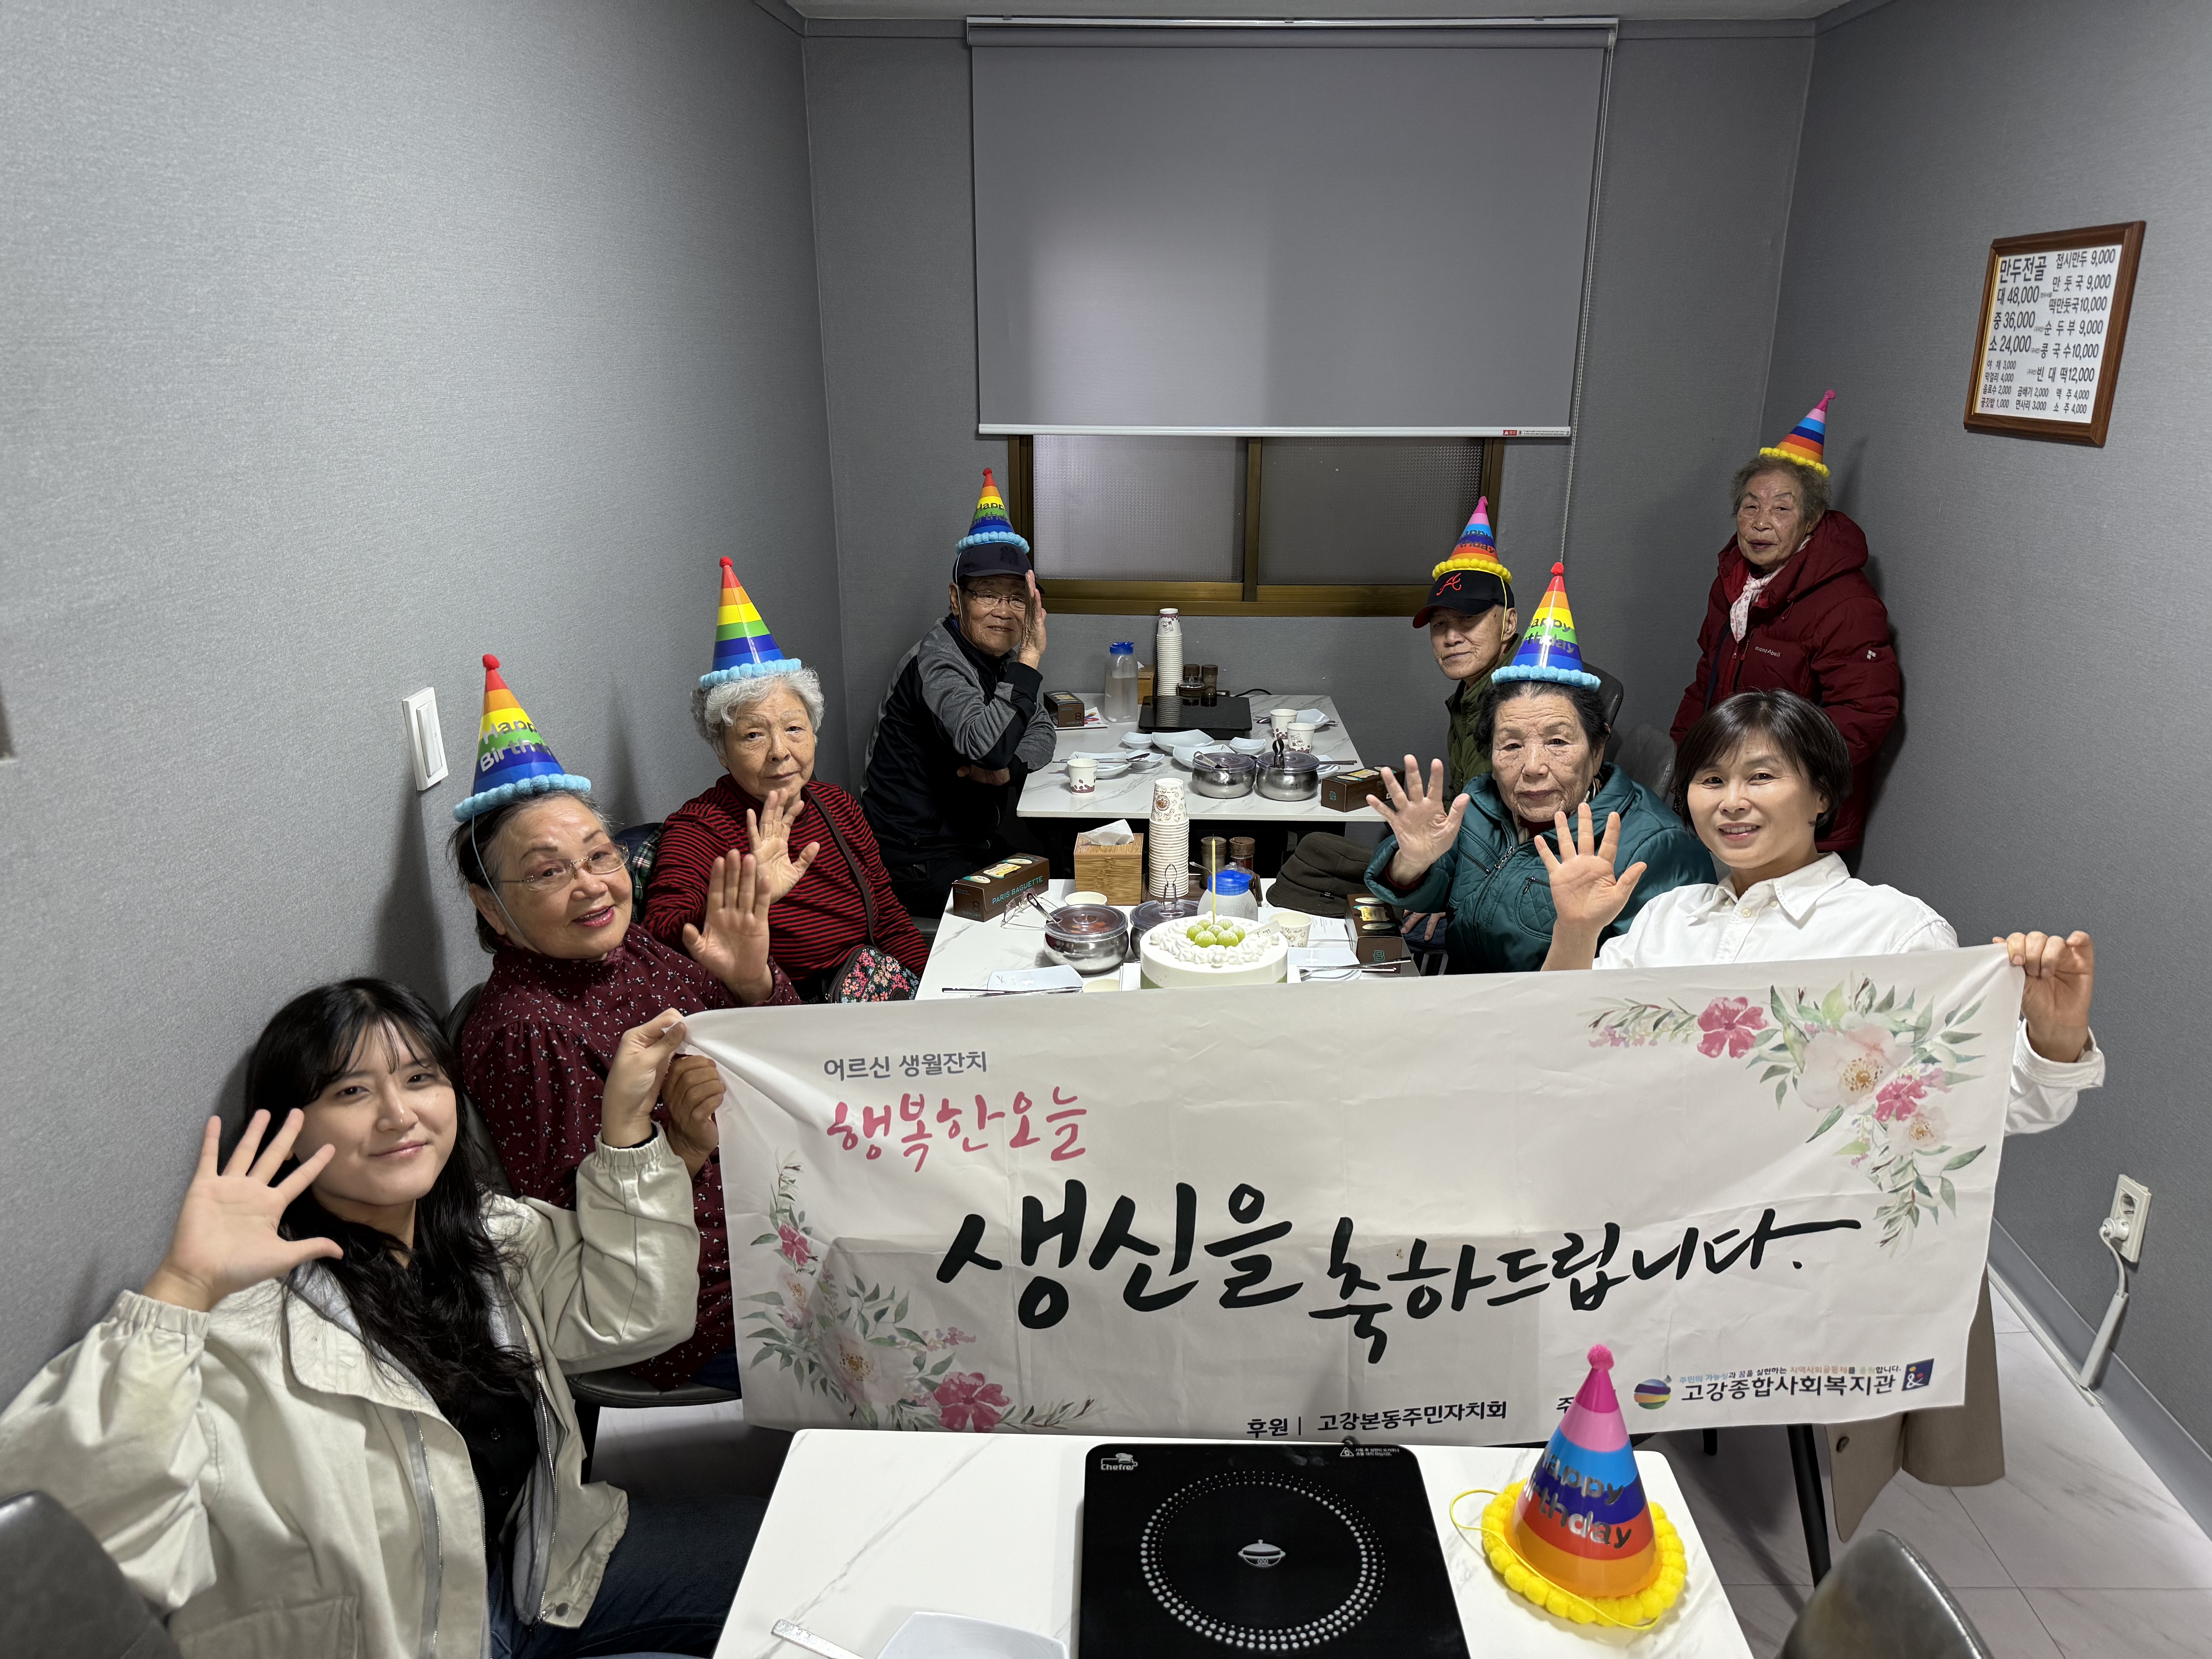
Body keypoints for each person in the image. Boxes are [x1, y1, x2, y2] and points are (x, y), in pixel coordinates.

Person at [0, 978, 763, 1658]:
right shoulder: (242, 1332)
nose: (400, 1115)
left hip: (548, 1574)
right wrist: (184, 1285)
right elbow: (79, 1544)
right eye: (351, 1091)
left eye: (419, 1077)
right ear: (290, 1125)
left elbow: (634, 1313)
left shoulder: (486, 1236)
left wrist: (633, 1133)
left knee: (796, 1554)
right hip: (406, 1638)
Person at [1536, 687, 2102, 1537]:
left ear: (1823, 794)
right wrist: (1576, 932)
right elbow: (1558, 1045)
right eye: (1711, 779)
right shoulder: (1668, 920)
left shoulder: (1891, 931)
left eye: (1762, 776)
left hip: (1784, 1240)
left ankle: (1575, 1465)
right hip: (1651, 1199)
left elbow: (1965, 1111)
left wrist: (2052, 1041)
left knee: (1544, 1319)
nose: (1732, 801)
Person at [450, 654, 798, 1393]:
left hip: (779, 1209)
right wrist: (682, 1146)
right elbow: (582, 1241)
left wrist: (753, 985)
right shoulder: (526, 1030)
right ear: (489, 906)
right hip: (702, 1300)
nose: (591, 885)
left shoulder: (631, 947)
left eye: (599, 855)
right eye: (549, 871)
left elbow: (779, 1066)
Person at [1366, 563, 1710, 972]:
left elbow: (1653, 994)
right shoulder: (1481, 801)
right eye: (1511, 745)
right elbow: (1435, 889)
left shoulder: (1659, 849)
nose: (1532, 767)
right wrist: (1413, 861)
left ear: (1598, 749)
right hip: (1466, 996)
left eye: (1557, 742)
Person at [643, 560, 929, 999]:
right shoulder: (698, 829)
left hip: (874, 995)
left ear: (814, 733)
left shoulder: (838, 807)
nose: (780, 751)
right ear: (721, 751)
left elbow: (889, 919)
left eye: (794, 728)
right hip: (785, 1014)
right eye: (753, 735)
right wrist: (752, 895)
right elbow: (660, 935)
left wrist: (935, 995)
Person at [1670, 392, 1899, 859]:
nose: (1761, 523)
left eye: (1781, 509)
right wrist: (1686, 764)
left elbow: (1864, 715)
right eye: (1750, 507)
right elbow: (1707, 680)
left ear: (1811, 520)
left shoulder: (1848, 605)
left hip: (1797, 818)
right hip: (1726, 796)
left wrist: (1775, 780)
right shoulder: (1733, 583)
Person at [862, 468, 1058, 919]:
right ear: (956, 599)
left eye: (1017, 598)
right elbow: (988, 747)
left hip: (971, 844)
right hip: (914, 860)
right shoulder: (937, 661)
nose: (1004, 612)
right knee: (1031, 914)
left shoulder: (1000, 658)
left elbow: (1043, 730)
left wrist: (1008, 772)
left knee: (1063, 877)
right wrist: (1030, 656)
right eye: (987, 595)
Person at [1412, 497, 1519, 795]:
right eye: (1440, 624)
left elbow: (1493, 820)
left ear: (1508, 624)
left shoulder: (1519, 702)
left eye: (1468, 619)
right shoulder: (1471, 692)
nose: (1451, 638)